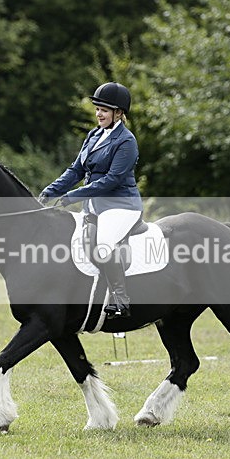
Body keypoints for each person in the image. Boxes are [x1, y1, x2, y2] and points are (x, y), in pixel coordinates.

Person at [39, 82, 143, 318]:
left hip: (121, 206)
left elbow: (111, 180)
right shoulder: (94, 134)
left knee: (104, 242)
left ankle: (121, 298)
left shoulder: (127, 141)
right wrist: (51, 191)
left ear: (118, 113)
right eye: (97, 108)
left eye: (104, 110)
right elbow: (76, 170)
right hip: (94, 207)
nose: (98, 114)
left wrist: (72, 196)